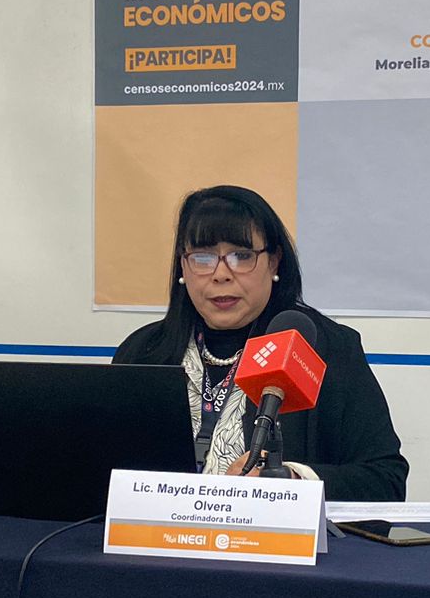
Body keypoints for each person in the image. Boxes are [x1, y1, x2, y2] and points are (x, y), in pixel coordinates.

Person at [113, 185, 409, 501]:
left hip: (275, 532)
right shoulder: (143, 352)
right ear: (183, 267)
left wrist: (293, 480)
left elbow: (385, 481)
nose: (221, 274)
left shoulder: (324, 348)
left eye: (241, 256)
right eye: (203, 257)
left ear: (274, 263)